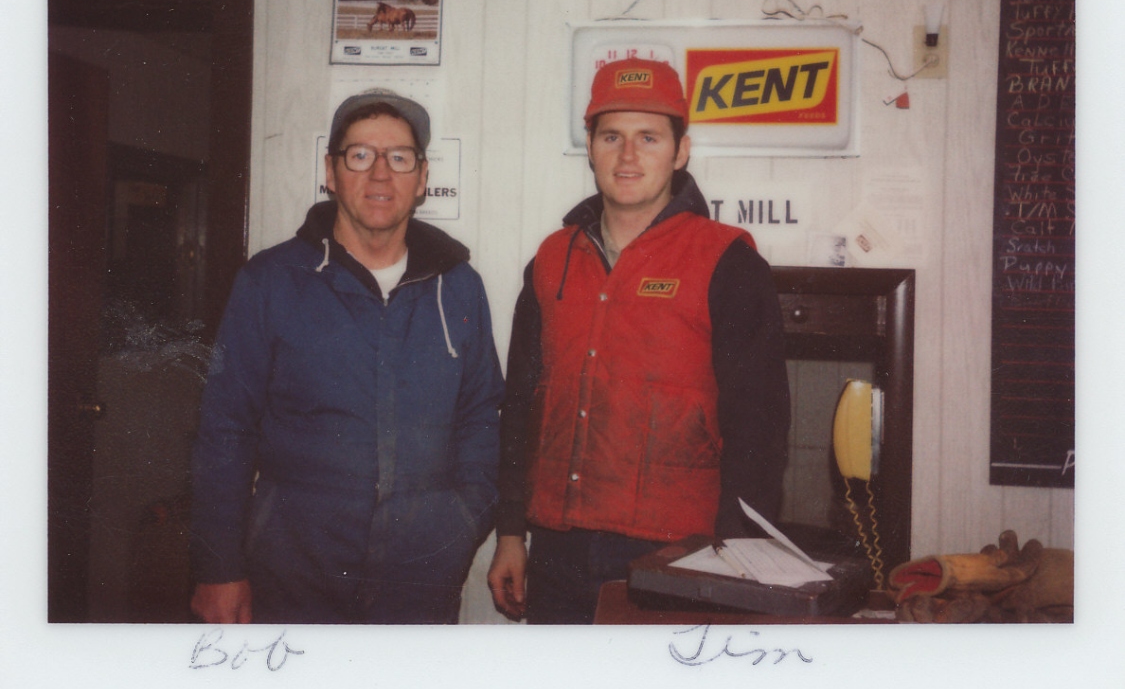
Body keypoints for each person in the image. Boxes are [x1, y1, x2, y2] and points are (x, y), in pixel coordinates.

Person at [487, 58, 791, 624]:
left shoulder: (728, 262)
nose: (628, 156)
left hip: (680, 555)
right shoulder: (551, 261)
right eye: (612, 137)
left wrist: (738, 558)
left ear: (680, 151)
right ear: (591, 146)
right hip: (557, 549)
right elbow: (519, 411)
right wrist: (510, 533)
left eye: (648, 137)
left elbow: (760, 430)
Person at [189, 89, 504, 625]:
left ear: (422, 178)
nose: (380, 174)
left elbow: (482, 415)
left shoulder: (459, 287)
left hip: (420, 579)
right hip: (292, 574)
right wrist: (218, 567)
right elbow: (224, 429)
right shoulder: (269, 282)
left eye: (399, 158)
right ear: (331, 172)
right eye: (360, 155)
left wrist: (460, 520)